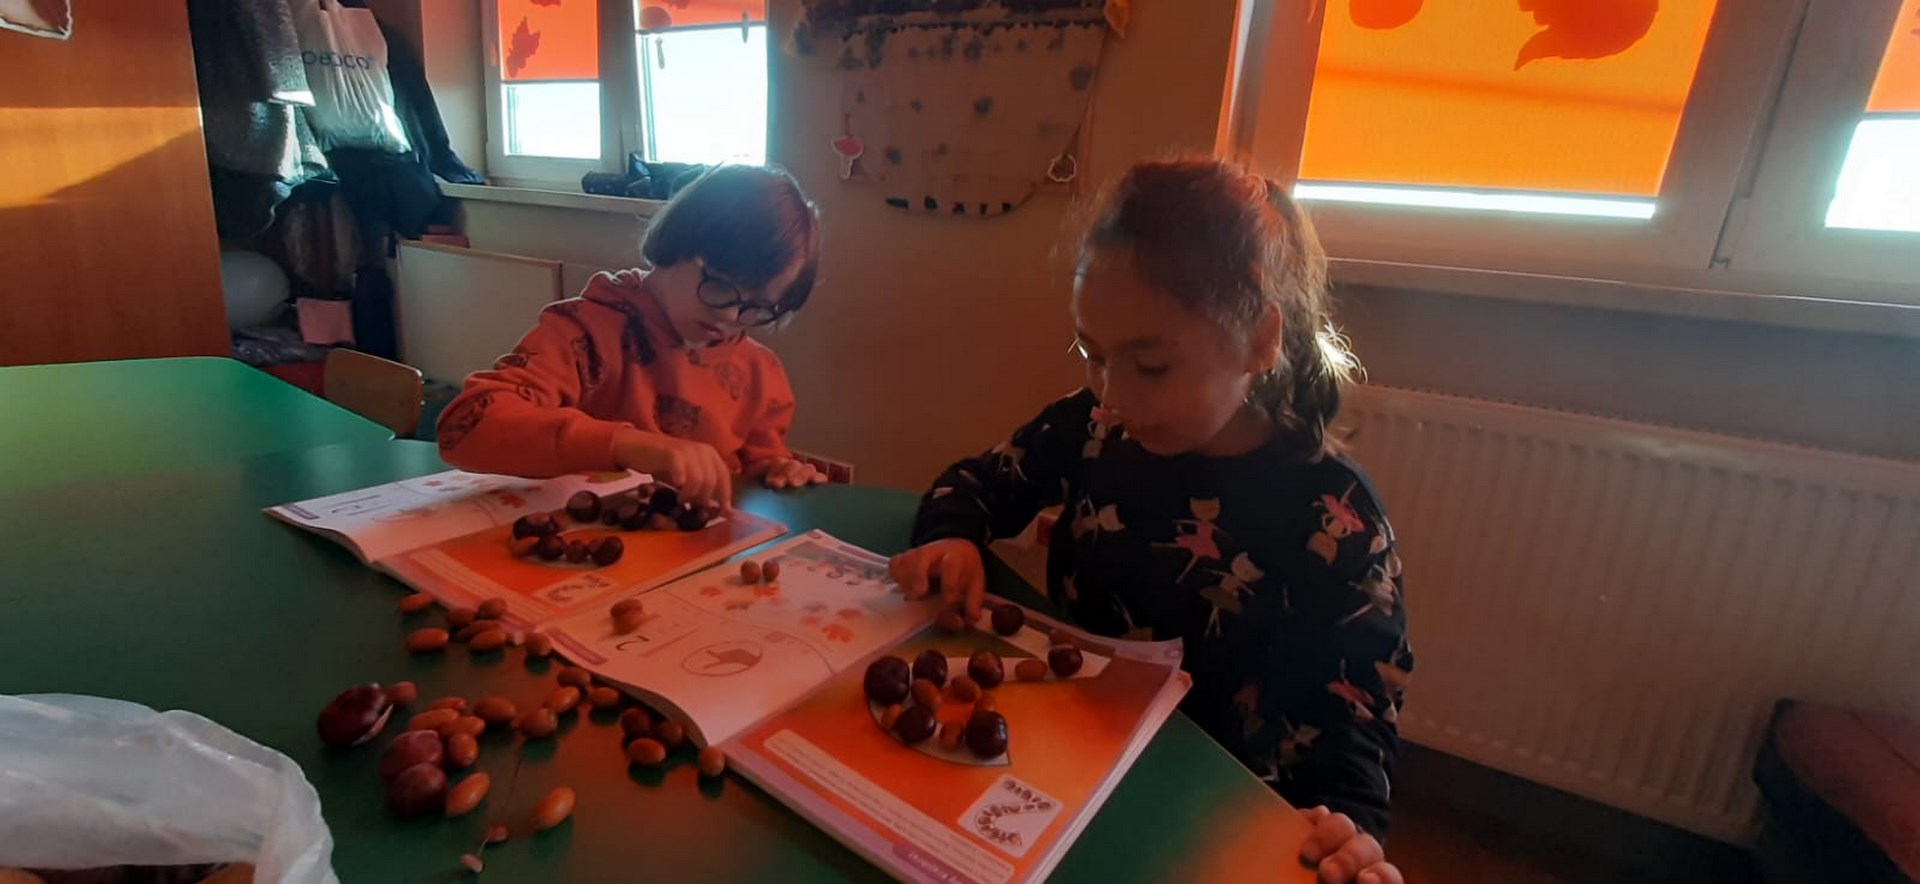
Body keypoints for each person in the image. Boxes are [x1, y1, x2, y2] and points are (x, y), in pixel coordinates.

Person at [890, 159, 1412, 884]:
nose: (1112, 395)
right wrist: (952, 535)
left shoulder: (1335, 516)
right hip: (1060, 763)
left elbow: (1355, 713)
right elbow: (979, 483)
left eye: (1152, 366)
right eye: (1092, 354)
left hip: (1215, 820)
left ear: (1260, 340)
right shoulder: (1092, 427)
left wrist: (1345, 831)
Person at [437, 164, 828, 503]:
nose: (729, 315)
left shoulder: (760, 371)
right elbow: (465, 428)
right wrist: (625, 445)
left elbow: (758, 466)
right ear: (681, 241)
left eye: (757, 307)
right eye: (721, 284)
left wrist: (777, 470)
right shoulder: (586, 332)